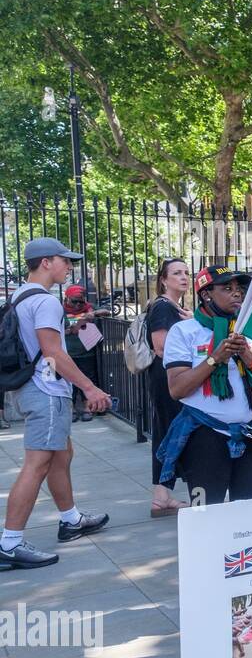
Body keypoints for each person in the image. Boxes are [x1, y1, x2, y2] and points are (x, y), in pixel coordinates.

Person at [0, 238, 112, 568]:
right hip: (47, 391)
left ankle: (71, 519)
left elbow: (40, 342)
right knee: (38, 463)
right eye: (65, 260)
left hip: (30, 388)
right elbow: (52, 353)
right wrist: (90, 389)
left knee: (62, 455)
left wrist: (71, 327)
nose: (70, 266)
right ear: (46, 262)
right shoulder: (46, 301)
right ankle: (9, 542)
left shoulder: (21, 295)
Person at [156, 266, 252, 504]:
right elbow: (177, 389)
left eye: (239, 288)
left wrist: (246, 353)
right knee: (204, 512)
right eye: (227, 288)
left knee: (248, 511)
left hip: (250, 435)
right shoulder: (184, 331)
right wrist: (215, 358)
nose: (237, 294)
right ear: (206, 294)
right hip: (205, 436)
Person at [146, 258, 192, 516]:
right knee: (172, 433)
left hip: (171, 377)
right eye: (176, 273)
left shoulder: (175, 307)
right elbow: (161, 347)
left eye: (186, 272)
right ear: (163, 280)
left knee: (168, 433)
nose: (183, 277)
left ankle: (162, 496)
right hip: (168, 378)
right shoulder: (163, 307)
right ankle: (165, 495)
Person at [62, 285, 111, 421]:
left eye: (80, 301)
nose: (78, 305)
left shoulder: (89, 308)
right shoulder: (60, 310)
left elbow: (107, 311)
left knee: (88, 378)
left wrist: (93, 314)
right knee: (69, 381)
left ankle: (86, 407)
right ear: (67, 298)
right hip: (67, 352)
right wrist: (67, 330)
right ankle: (71, 408)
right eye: (74, 301)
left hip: (86, 352)